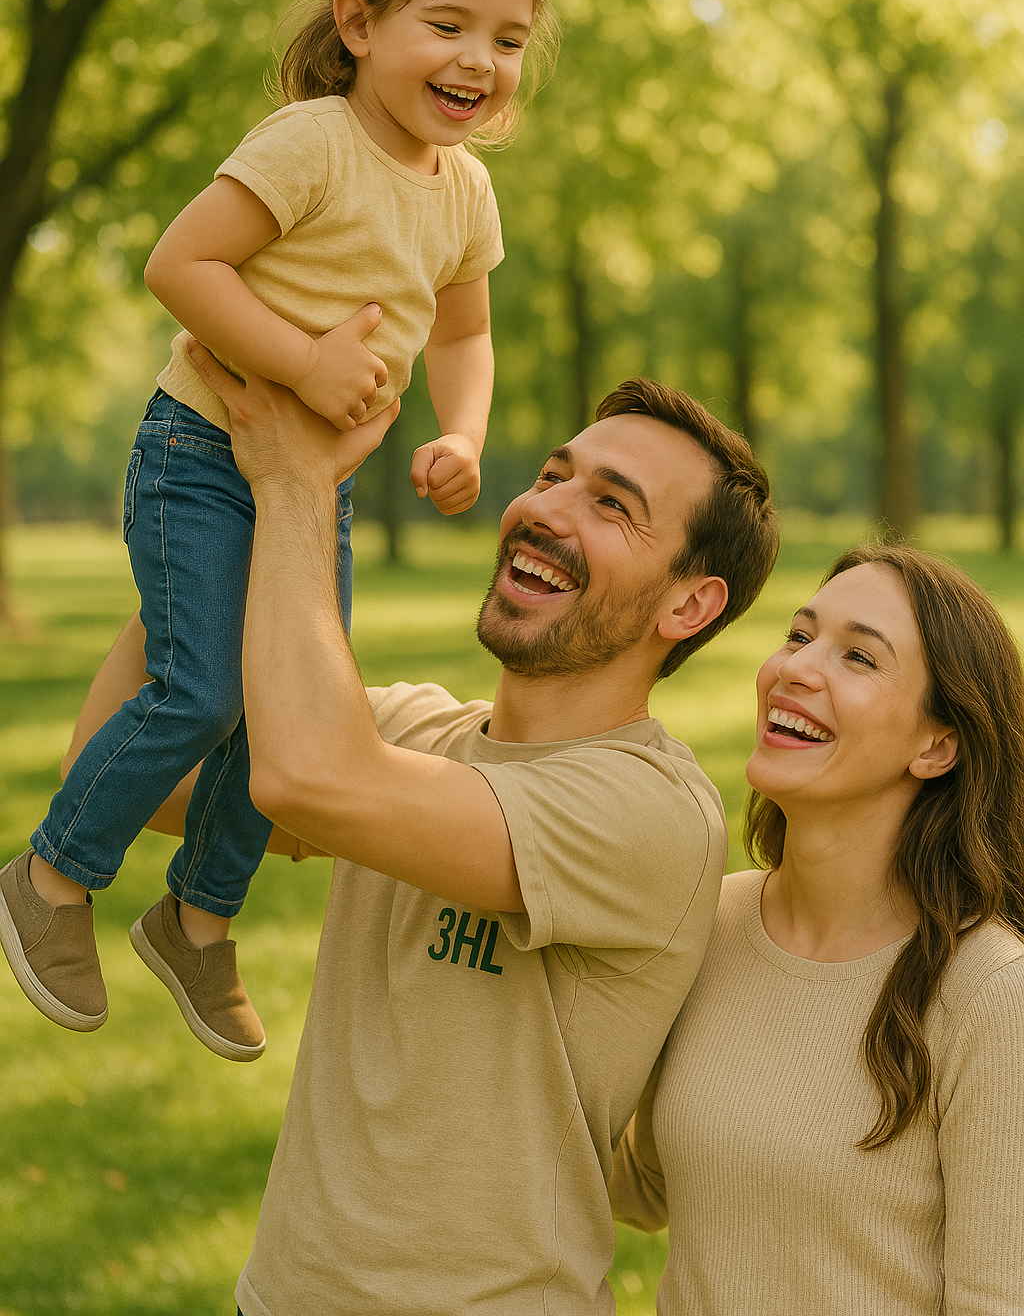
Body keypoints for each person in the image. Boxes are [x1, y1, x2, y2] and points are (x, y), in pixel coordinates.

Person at [50, 357, 777, 1313]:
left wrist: (297, 482)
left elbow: (313, 775)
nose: (549, 509)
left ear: (690, 604)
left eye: (613, 506)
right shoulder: (411, 734)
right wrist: (207, 501)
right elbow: (127, 774)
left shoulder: (649, 809)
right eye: (554, 475)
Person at [0, 0, 556, 1062]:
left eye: (507, 39)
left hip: (314, 480)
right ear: (358, 26)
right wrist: (305, 361)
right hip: (204, 452)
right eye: (447, 26)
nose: (480, 61)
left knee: (299, 710)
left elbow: (462, 334)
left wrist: (460, 433)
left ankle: (198, 919)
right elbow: (182, 264)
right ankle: (50, 877)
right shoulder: (312, 143)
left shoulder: (464, 190)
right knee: (204, 689)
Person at [610, 544, 1024, 1316]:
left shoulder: (994, 995)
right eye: (800, 637)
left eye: (860, 658)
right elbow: (634, 1183)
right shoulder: (704, 922)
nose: (797, 668)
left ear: (937, 746)